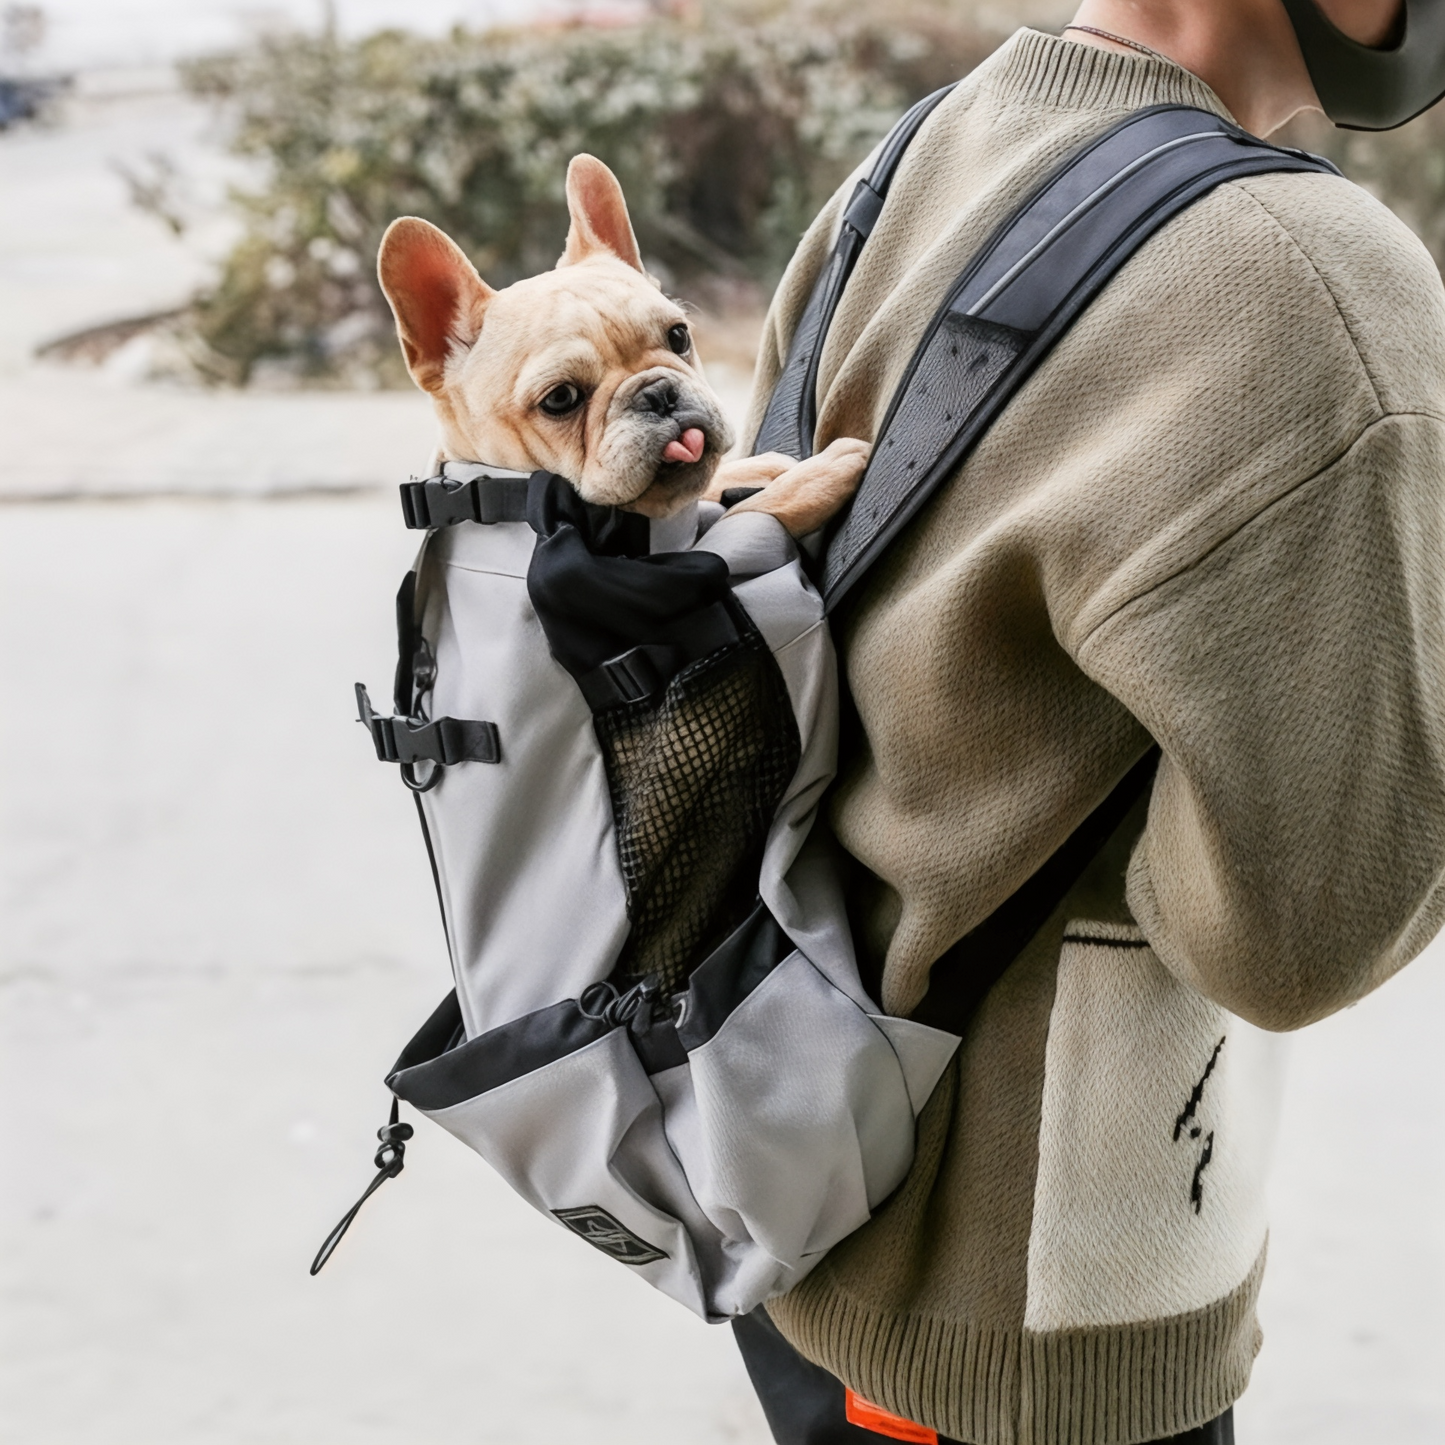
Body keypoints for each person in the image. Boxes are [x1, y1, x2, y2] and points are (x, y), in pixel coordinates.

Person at [731, 2, 1445, 1442]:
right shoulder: (1310, 277)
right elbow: (1304, 930)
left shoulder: (921, 152)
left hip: (798, 1209)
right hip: (1039, 1315)